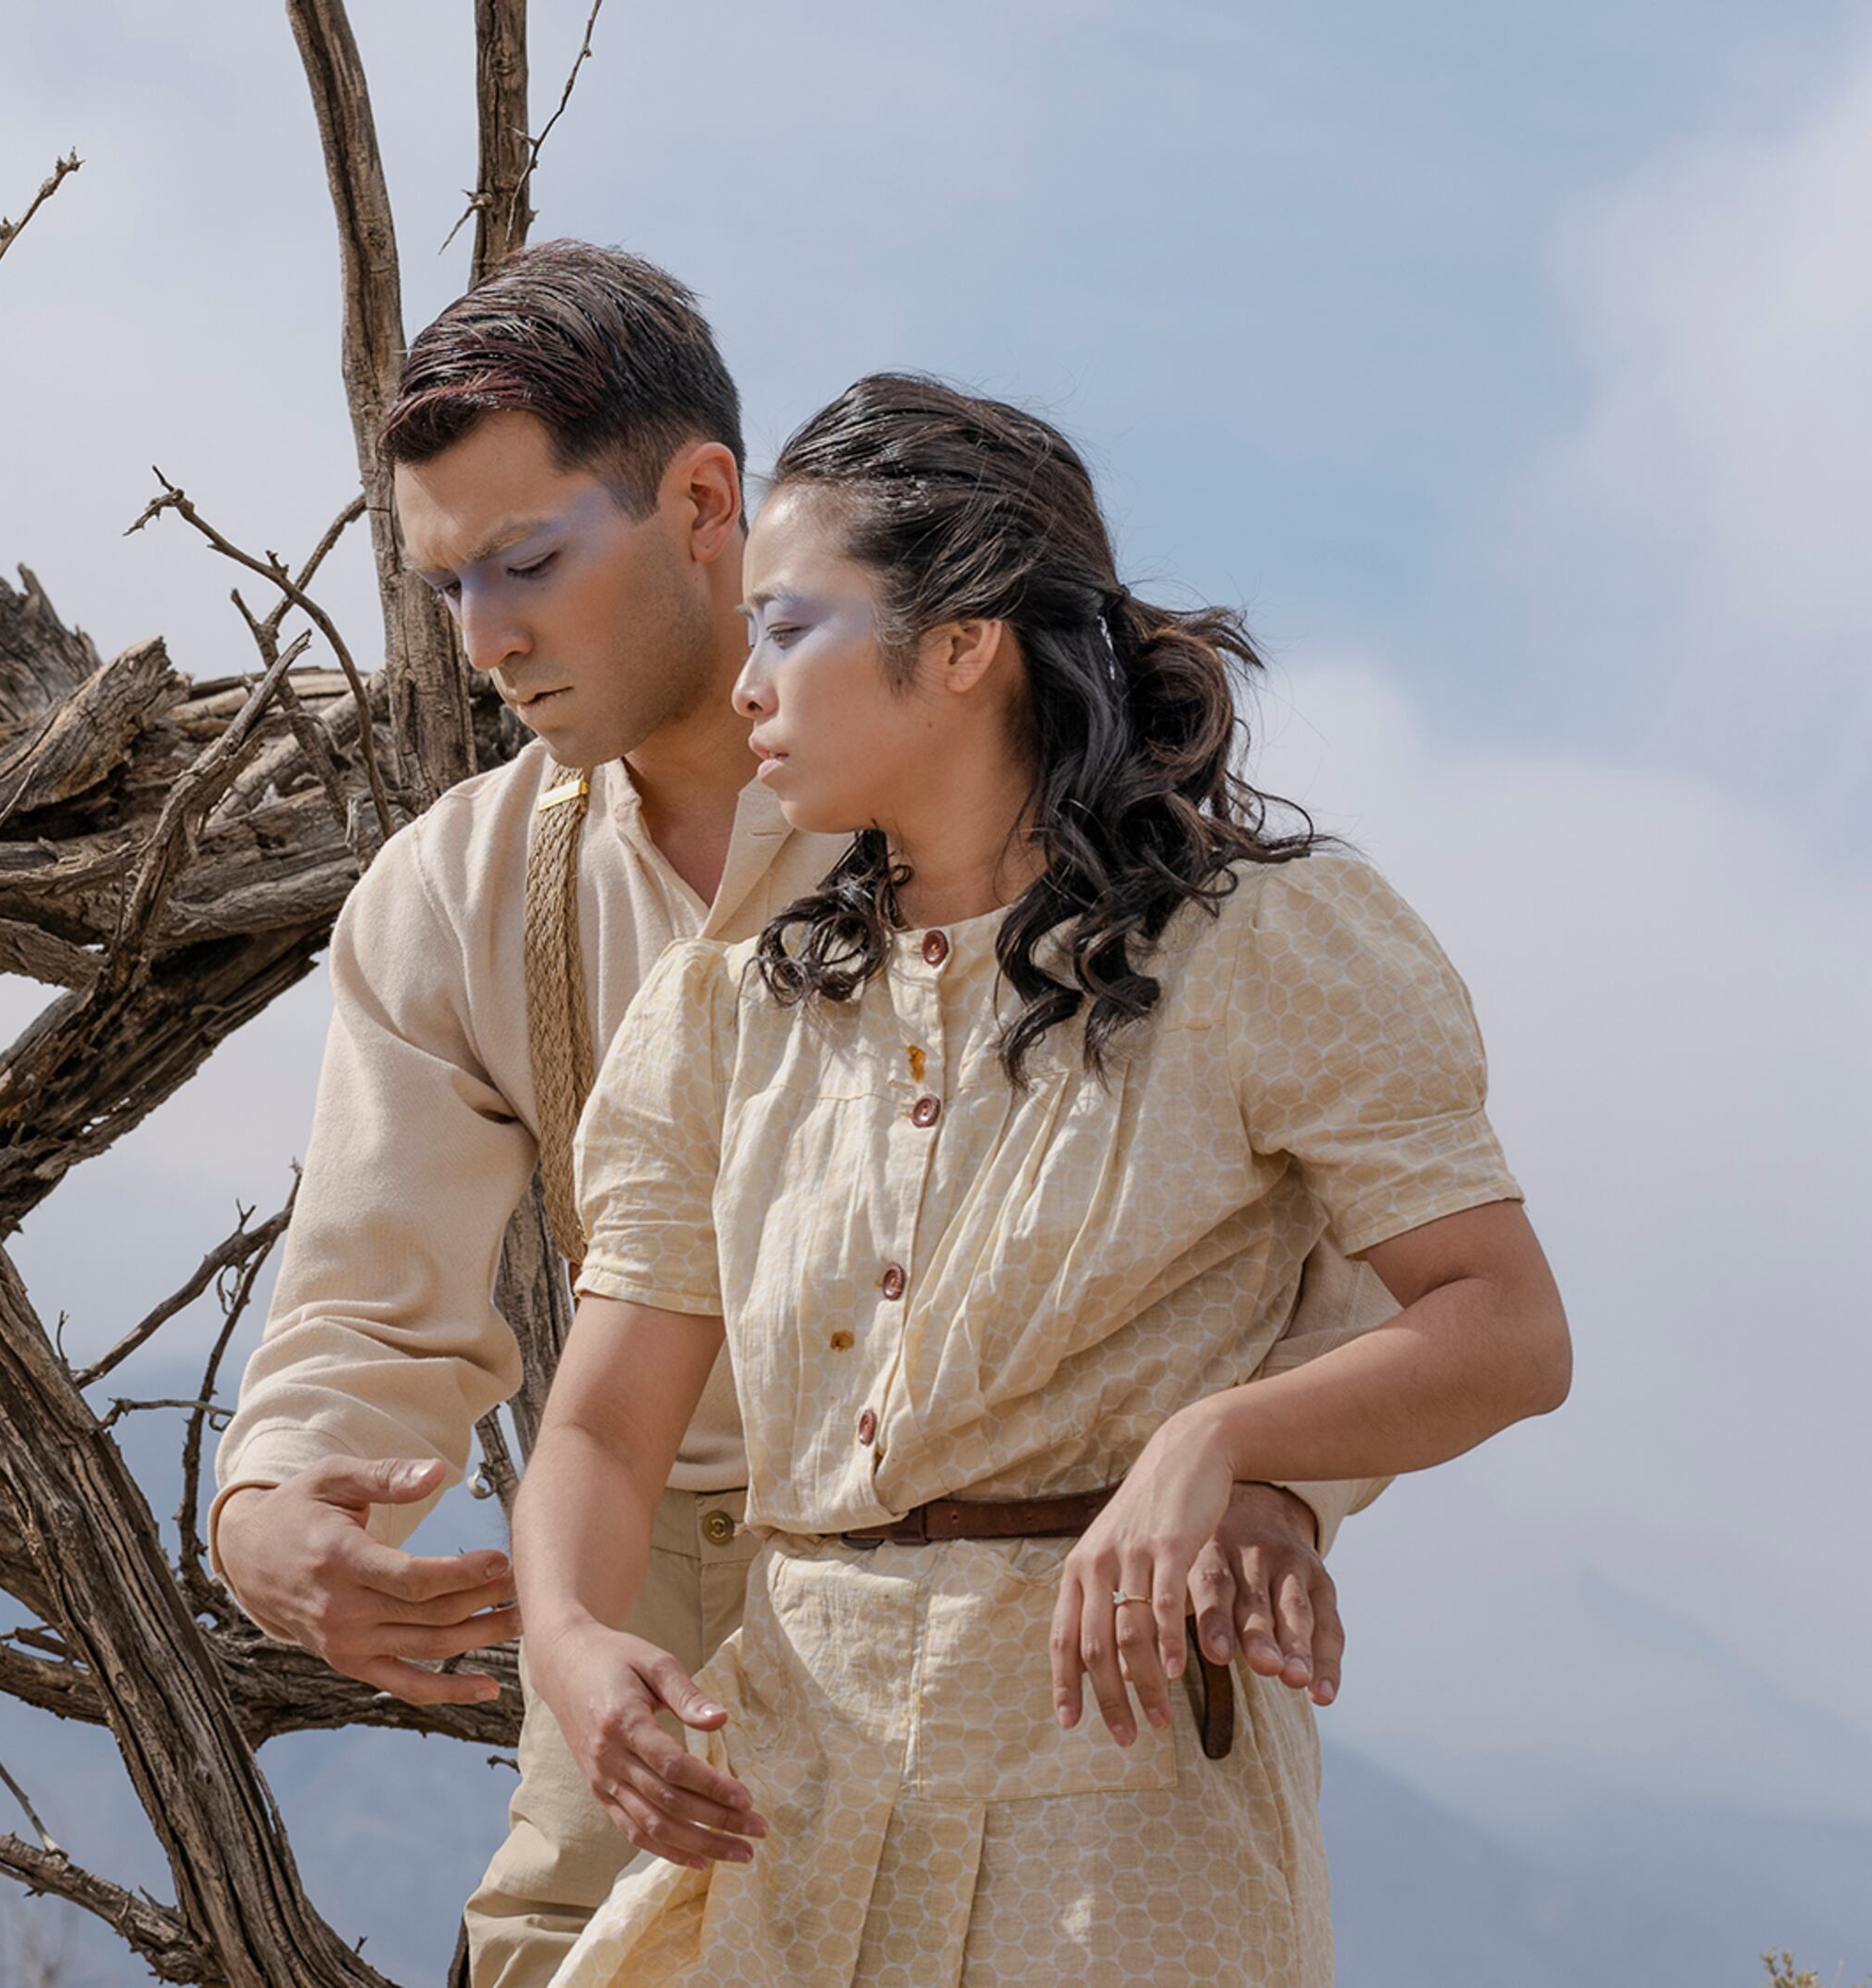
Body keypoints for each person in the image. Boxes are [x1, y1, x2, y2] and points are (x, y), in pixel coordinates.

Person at [209, 245, 1381, 1988]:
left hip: (1041, 1626)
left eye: (528, 562)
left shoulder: (993, 799)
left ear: (703, 503)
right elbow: (368, 1302)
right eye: (448, 583)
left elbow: (1343, 1212)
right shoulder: (448, 895)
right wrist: (276, 1518)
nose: (486, 640)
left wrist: (1276, 1475)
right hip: (642, 1625)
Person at [515, 374, 1574, 1986]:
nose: (746, 683)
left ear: (960, 646)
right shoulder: (726, 1011)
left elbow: (1505, 1327)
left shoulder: (1273, 947)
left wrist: (1222, 1444)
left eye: (793, 628)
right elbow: (599, 1420)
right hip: (795, 1799)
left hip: (1126, 1816)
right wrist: (578, 1645)